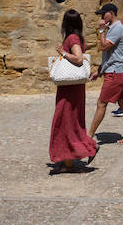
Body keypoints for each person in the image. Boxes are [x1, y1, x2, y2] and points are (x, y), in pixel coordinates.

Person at [49, 9, 98, 173]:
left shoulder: (72, 38)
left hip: (70, 89)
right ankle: (68, 162)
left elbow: (78, 58)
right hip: (72, 88)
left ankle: (88, 147)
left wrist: (62, 52)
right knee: (69, 123)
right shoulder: (77, 37)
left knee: (65, 121)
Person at [88, 2, 123, 145]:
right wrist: (99, 71)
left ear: (111, 12)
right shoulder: (114, 28)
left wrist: (101, 31)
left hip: (115, 73)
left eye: (104, 14)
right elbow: (110, 55)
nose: (102, 17)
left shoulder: (116, 28)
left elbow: (104, 47)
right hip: (118, 71)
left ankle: (88, 137)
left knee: (101, 103)